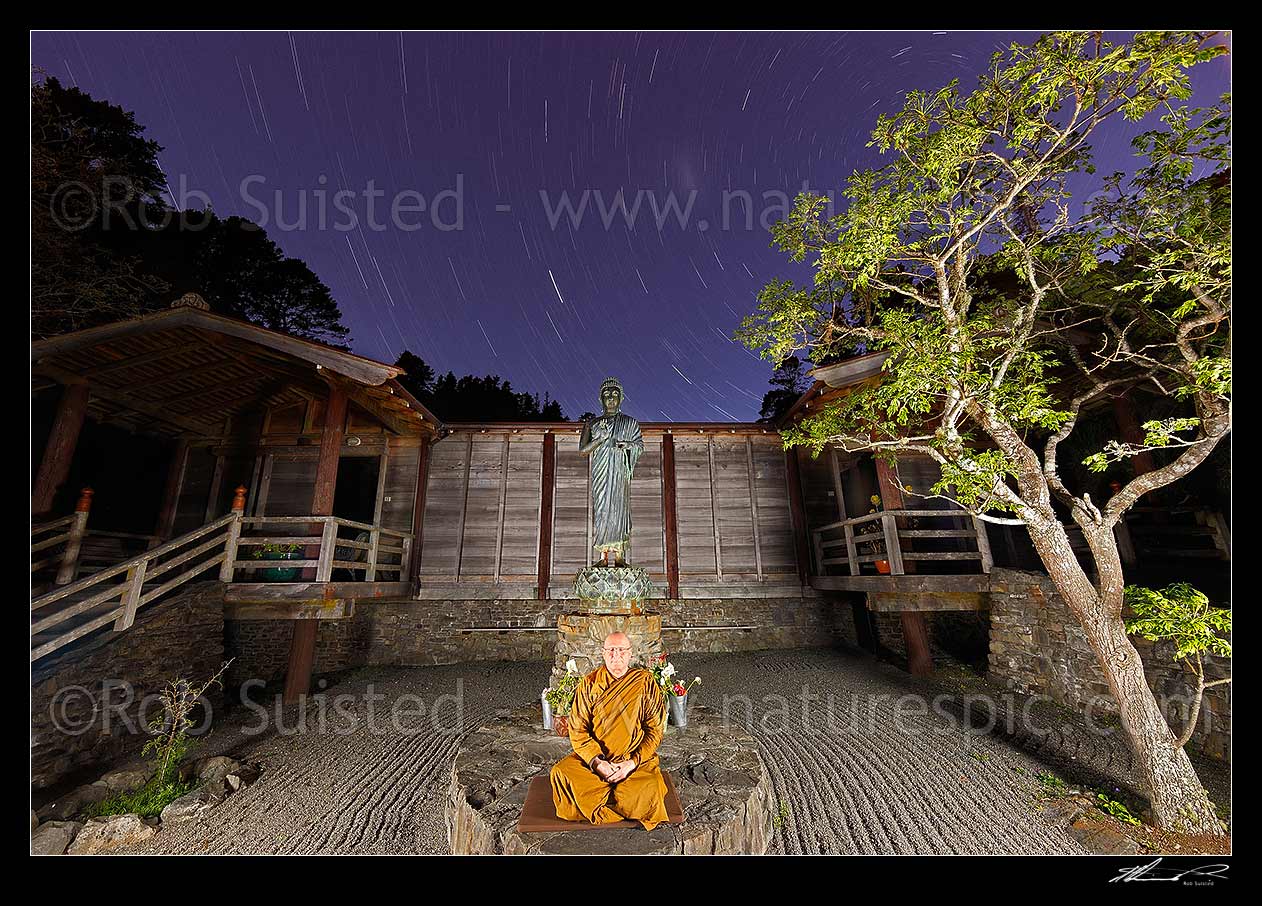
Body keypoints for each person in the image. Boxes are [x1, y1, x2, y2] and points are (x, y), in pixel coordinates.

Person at [549, 631, 669, 830]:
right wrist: (598, 763)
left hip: (633, 761)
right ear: (603, 654)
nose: (616, 656)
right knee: (560, 774)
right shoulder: (589, 684)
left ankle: (600, 798)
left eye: (622, 651)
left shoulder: (645, 683)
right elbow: (578, 731)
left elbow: (654, 730)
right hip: (595, 762)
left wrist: (631, 763)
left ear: (630, 654)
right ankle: (618, 799)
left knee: (651, 786)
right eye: (611, 651)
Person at [578, 378, 643, 567]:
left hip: (619, 471)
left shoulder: (630, 423)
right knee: (603, 510)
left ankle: (620, 555)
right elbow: (583, 450)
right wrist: (600, 439)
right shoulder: (592, 423)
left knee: (618, 509)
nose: (611, 398)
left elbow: (639, 445)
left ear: (621, 398)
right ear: (601, 399)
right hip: (601, 471)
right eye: (607, 395)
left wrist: (628, 445)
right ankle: (603, 556)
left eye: (615, 394)